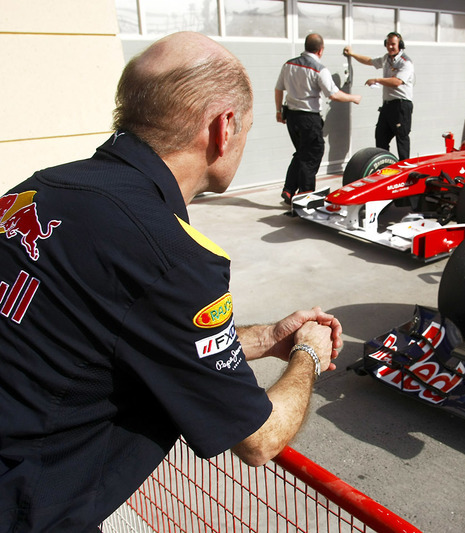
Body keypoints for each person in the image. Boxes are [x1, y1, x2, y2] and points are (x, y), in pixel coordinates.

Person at [0, 31, 342, 531]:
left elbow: (119, 331)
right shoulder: (169, 255)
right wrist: (307, 352)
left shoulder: (35, 187)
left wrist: (266, 338)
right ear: (223, 128)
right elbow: (260, 439)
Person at [275, 33, 361, 204]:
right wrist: (353, 98)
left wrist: (278, 111)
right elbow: (334, 95)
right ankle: (306, 195)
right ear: (321, 50)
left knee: (301, 153)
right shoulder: (319, 69)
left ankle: (289, 190)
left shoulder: (288, 65)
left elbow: (278, 89)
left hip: (292, 117)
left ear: (306, 46)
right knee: (313, 155)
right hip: (309, 119)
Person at [344, 32, 415, 161]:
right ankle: (384, 164)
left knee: (402, 139)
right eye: (388, 44)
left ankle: (405, 167)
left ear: (400, 45)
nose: (390, 47)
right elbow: (369, 61)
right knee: (380, 136)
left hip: (401, 105)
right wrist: (352, 54)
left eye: (393, 44)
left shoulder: (406, 62)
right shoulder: (385, 58)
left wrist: (376, 79)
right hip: (387, 105)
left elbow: (397, 82)